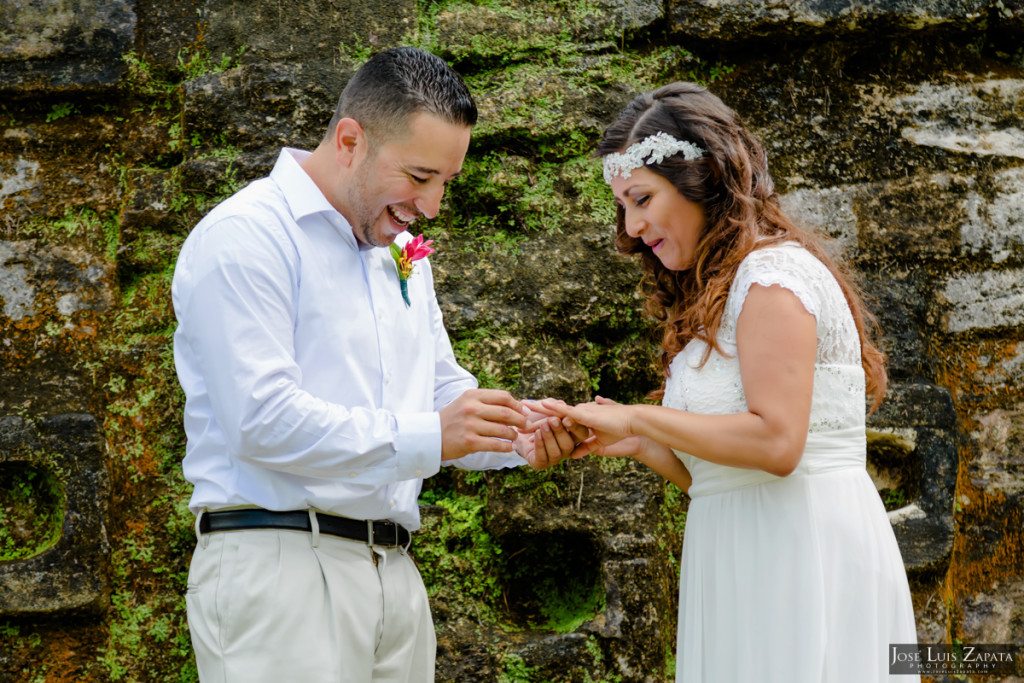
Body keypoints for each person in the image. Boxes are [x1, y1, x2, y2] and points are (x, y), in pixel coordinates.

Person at [171, 47, 584, 682]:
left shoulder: (399, 253)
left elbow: (444, 396)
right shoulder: (247, 236)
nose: (433, 206)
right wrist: (432, 435)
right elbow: (261, 418)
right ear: (349, 140)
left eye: (446, 182)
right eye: (419, 177)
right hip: (281, 572)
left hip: (393, 577)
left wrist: (530, 434)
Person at [537, 82, 919, 682]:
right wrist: (638, 443)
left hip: (800, 555)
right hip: (740, 552)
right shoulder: (719, 292)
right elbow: (718, 477)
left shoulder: (771, 277)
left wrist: (639, 416)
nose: (632, 226)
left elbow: (777, 445)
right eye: (623, 206)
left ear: (701, 178)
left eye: (641, 198)